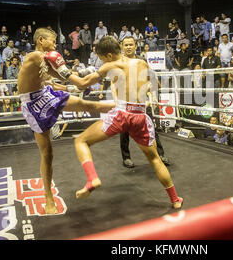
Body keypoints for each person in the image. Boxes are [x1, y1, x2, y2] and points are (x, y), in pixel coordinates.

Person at [60, 36, 183, 209]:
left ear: (109, 55)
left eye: (102, 58)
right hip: (140, 116)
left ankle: (92, 178)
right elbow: (156, 85)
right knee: (155, 159)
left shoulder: (110, 65)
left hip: (122, 114)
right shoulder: (142, 63)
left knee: (81, 140)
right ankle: (175, 200)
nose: (102, 62)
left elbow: (82, 84)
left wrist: (61, 70)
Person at [17, 27, 115, 214]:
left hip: (45, 92)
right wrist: (80, 81)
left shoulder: (46, 60)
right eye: (52, 42)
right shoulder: (35, 56)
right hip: (33, 104)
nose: (54, 45)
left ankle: (123, 105)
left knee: (87, 105)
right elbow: (65, 75)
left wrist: (77, 84)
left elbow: (60, 78)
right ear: (40, 40)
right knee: (47, 153)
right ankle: (48, 199)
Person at [117, 36, 170, 168]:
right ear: (122, 47)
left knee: (151, 128)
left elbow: (151, 79)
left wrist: (153, 95)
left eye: (131, 44)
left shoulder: (142, 61)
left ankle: (160, 154)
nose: (129, 47)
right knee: (124, 131)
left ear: (135, 46)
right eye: (126, 45)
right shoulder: (119, 62)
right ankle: (126, 158)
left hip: (141, 101)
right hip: (124, 100)